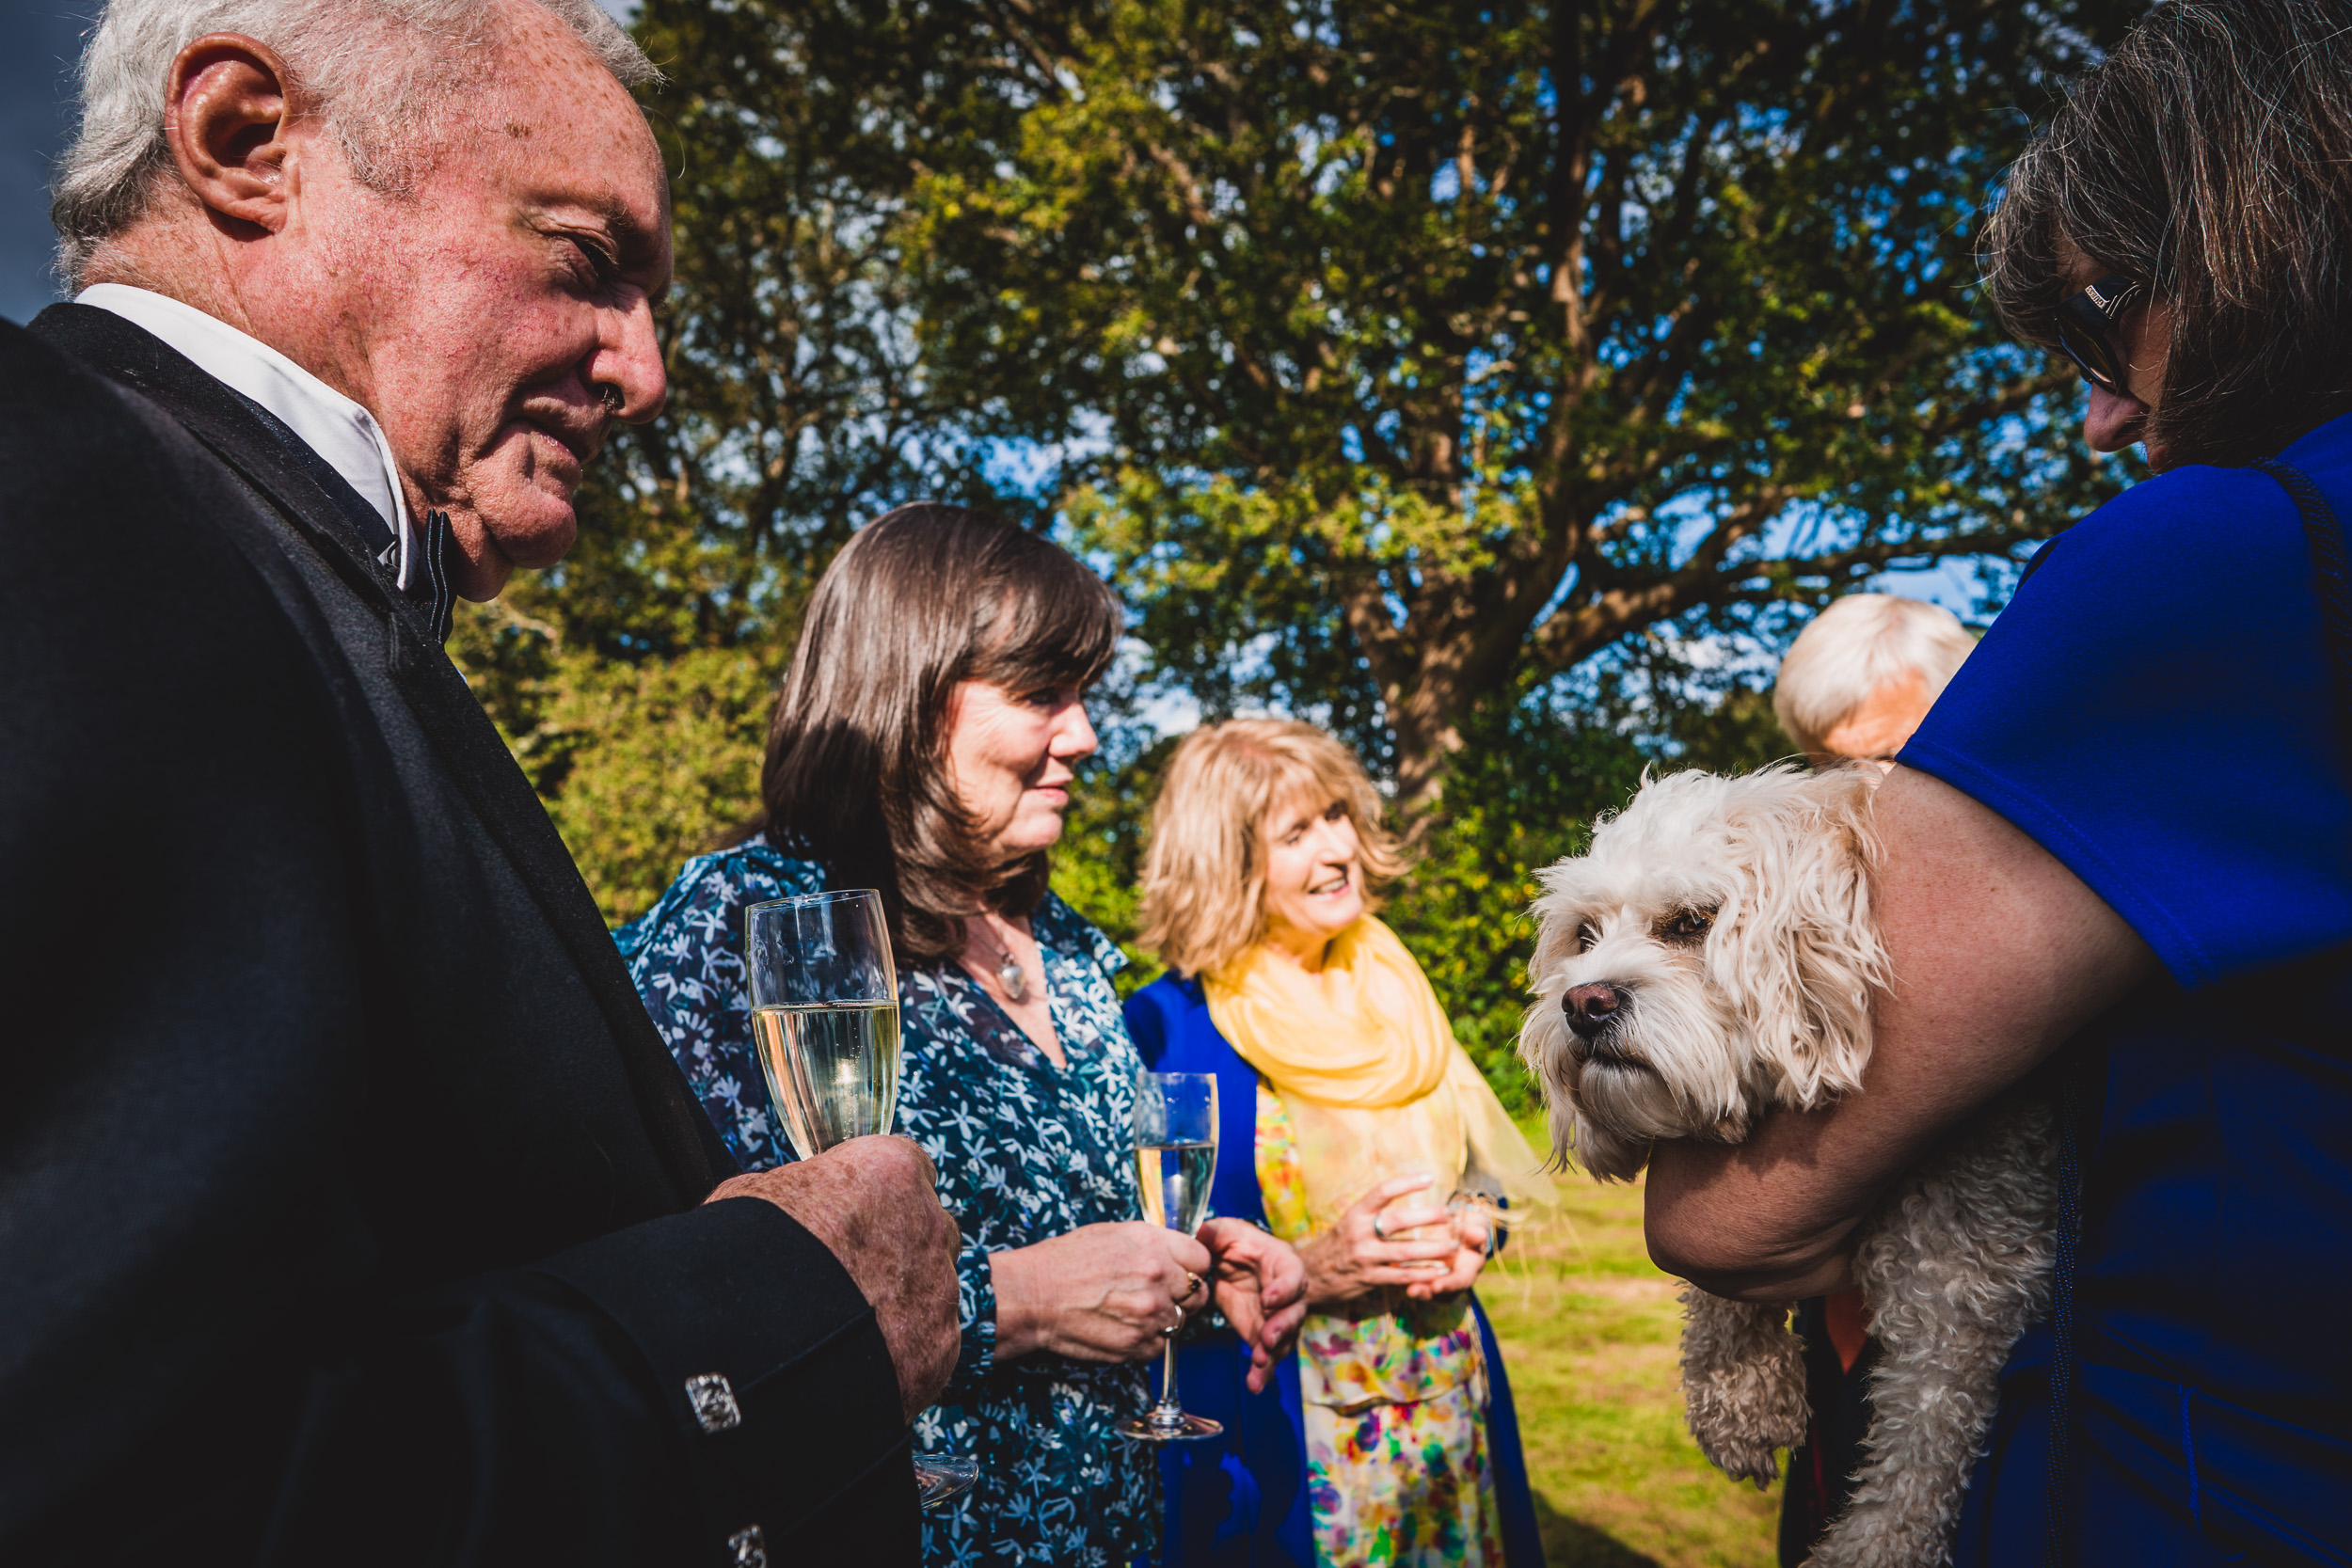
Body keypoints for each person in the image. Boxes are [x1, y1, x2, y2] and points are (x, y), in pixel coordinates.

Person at [1, 2, 961, 1560]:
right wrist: (783, 1317)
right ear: (251, 142)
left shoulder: (306, 588)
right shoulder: (68, 509)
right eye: (586, 258)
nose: (645, 372)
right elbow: (95, 1483)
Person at [1641, 2, 2352, 1560]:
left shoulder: (2228, 557)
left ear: (2256, 245)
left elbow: (1729, 1215)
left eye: (2106, 322)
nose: (2098, 408)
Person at [619, 504, 1308, 1567]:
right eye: (1042, 695)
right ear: (905, 694)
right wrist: (1015, 1302)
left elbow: (1083, 1232)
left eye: (1084, 696)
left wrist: (1192, 1271)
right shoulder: (752, 923)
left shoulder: (1069, 947)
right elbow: (668, 1291)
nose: (1083, 735)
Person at [1122, 719, 1553, 1568]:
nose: (1337, 848)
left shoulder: (1391, 983)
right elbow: (1134, 1262)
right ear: (1228, 862)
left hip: (1445, 1404)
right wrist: (1314, 1264)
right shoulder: (1164, 1025)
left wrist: (1474, 1226)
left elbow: (1482, 1172)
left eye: (1336, 816)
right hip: (1286, 1425)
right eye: (1296, 832)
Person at [1764, 594, 1975, 1565]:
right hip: (1830, 1325)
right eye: (1824, 765)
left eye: (1885, 761)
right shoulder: (1793, 911)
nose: (1849, 797)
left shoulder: (2016, 909)